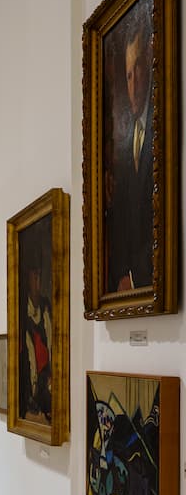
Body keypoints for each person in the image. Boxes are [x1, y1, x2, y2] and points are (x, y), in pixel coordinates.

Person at [105, 15, 155, 292]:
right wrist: (122, 274)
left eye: (138, 70)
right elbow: (122, 219)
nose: (134, 84)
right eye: (128, 75)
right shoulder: (125, 142)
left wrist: (136, 278)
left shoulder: (160, 124)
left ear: (148, 64)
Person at [22, 267, 53, 422]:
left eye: (39, 277)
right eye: (34, 277)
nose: (38, 282)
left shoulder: (45, 305)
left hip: (46, 370)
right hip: (32, 371)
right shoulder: (22, 310)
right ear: (28, 280)